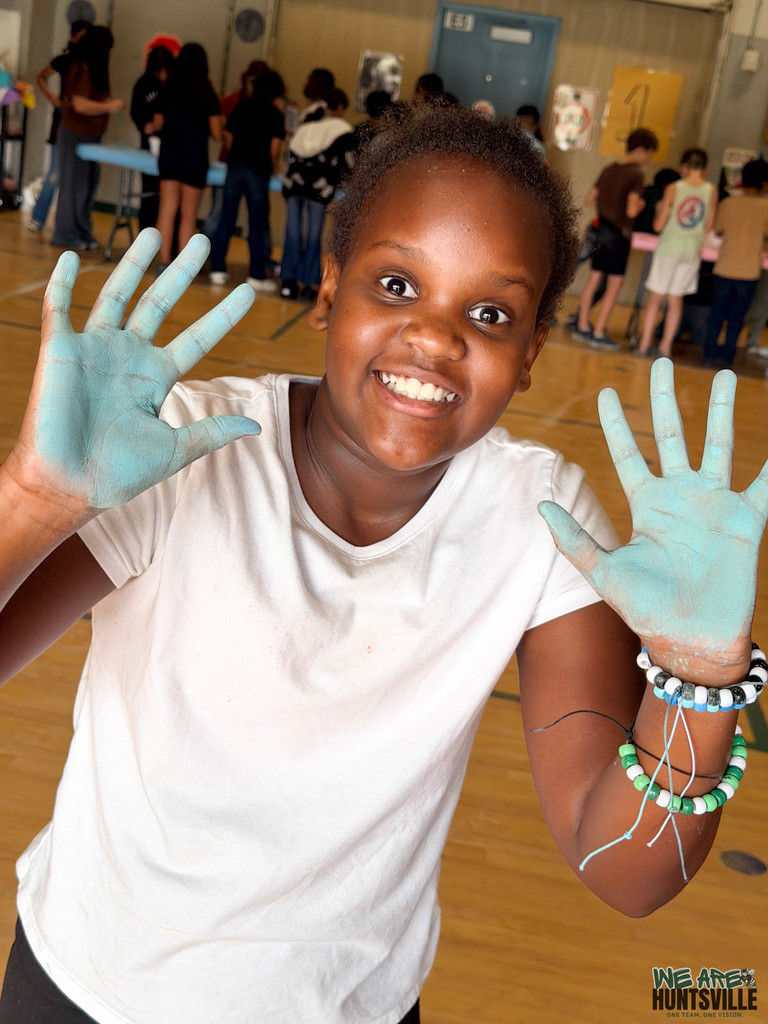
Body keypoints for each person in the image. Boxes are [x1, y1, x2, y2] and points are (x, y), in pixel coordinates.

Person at [0, 105, 766, 1024]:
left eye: (489, 312)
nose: (437, 338)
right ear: (331, 289)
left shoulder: (539, 518)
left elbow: (626, 874)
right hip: (87, 988)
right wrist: (35, 501)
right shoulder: (177, 448)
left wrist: (697, 677)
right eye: (398, 285)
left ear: (530, 352)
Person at [573, 127, 658, 350]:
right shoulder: (636, 175)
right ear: (640, 151)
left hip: (599, 230)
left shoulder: (609, 169)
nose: (648, 160)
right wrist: (641, 204)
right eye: (649, 154)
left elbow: (590, 199)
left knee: (593, 280)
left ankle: (582, 326)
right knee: (614, 285)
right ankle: (599, 331)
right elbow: (631, 211)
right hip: (618, 236)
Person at [208, 66, 285, 291]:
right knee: (257, 223)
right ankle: (255, 274)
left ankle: (218, 269)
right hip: (258, 171)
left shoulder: (242, 106)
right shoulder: (275, 114)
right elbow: (273, 150)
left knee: (226, 219)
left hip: (235, 168)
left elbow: (228, 139)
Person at [636, 149, 716, 359]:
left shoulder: (674, 188)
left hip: (669, 248)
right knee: (675, 300)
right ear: (706, 169)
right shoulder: (711, 191)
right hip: (691, 251)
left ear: (683, 167)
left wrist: (660, 209)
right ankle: (665, 347)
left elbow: (658, 226)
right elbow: (709, 226)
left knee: (655, 299)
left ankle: (644, 344)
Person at [50, 25, 124, 250]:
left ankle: (82, 231)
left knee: (88, 185)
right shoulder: (79, 66)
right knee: (73, 186)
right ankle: (65, 234)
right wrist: (110, 106)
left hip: (92, 136)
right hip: (74, 134)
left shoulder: (95, 70)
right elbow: (79, 104)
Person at [279, 86, 355, 301]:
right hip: (319, 189)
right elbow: (348, 163)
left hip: (294, 185)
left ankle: (287, 282)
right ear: (339, 106)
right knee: (314, 235)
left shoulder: (307, 125)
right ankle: (309, 284)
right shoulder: (342, 130)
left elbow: (289, 154)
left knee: (292, 232)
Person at [152, 43, 222, 273]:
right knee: (188, 216)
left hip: (169, 155)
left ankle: (163, 262)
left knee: (167, 210)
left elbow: (158, 124)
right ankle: (181, 270)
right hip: (195, 157)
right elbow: (217, 133)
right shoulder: (206, 89)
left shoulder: (168, 86)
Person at [702, 158, 768, 368]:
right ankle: (728, 357)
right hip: (748, 272)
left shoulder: (728, 203)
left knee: (717, 315)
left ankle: (708, 355)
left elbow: (718, 230)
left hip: (724, 268)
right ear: (765, 184)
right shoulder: (766, 207)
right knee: (737, 318)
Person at [27, 21, 90, 233]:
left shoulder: (89, 62)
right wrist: (52, 97)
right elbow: (41, 76)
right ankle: (38, 216)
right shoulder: (64, 60)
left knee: (76, 177)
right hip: (63, 120)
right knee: (55, 174)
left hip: (82, 122)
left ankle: (68, 225)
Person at [129, 44, 175, 232]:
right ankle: (145, 233)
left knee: (169, 195)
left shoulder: (174, 84)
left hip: (172, 146)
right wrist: (143, 125)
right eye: (159, 70)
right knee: (149, 191)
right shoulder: (143, 84)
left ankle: (165, 238)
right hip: (149, 145)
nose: (162, 74)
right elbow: (135, 112)